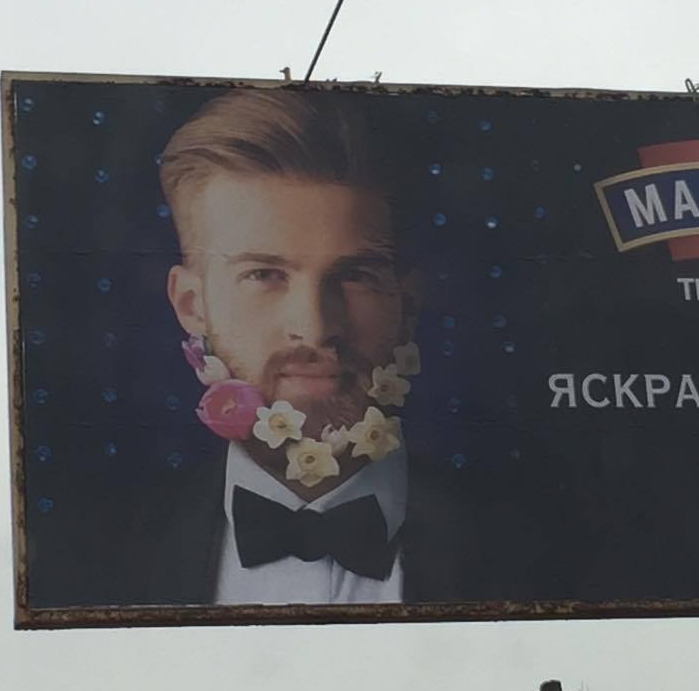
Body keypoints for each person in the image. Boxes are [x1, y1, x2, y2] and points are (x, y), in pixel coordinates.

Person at [118, 88, 491, 607]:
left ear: (406, 304)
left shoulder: (541, 546)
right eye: (264, 275)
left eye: (355, 276)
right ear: (191, 304)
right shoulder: (100, 552)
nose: (315, 329)